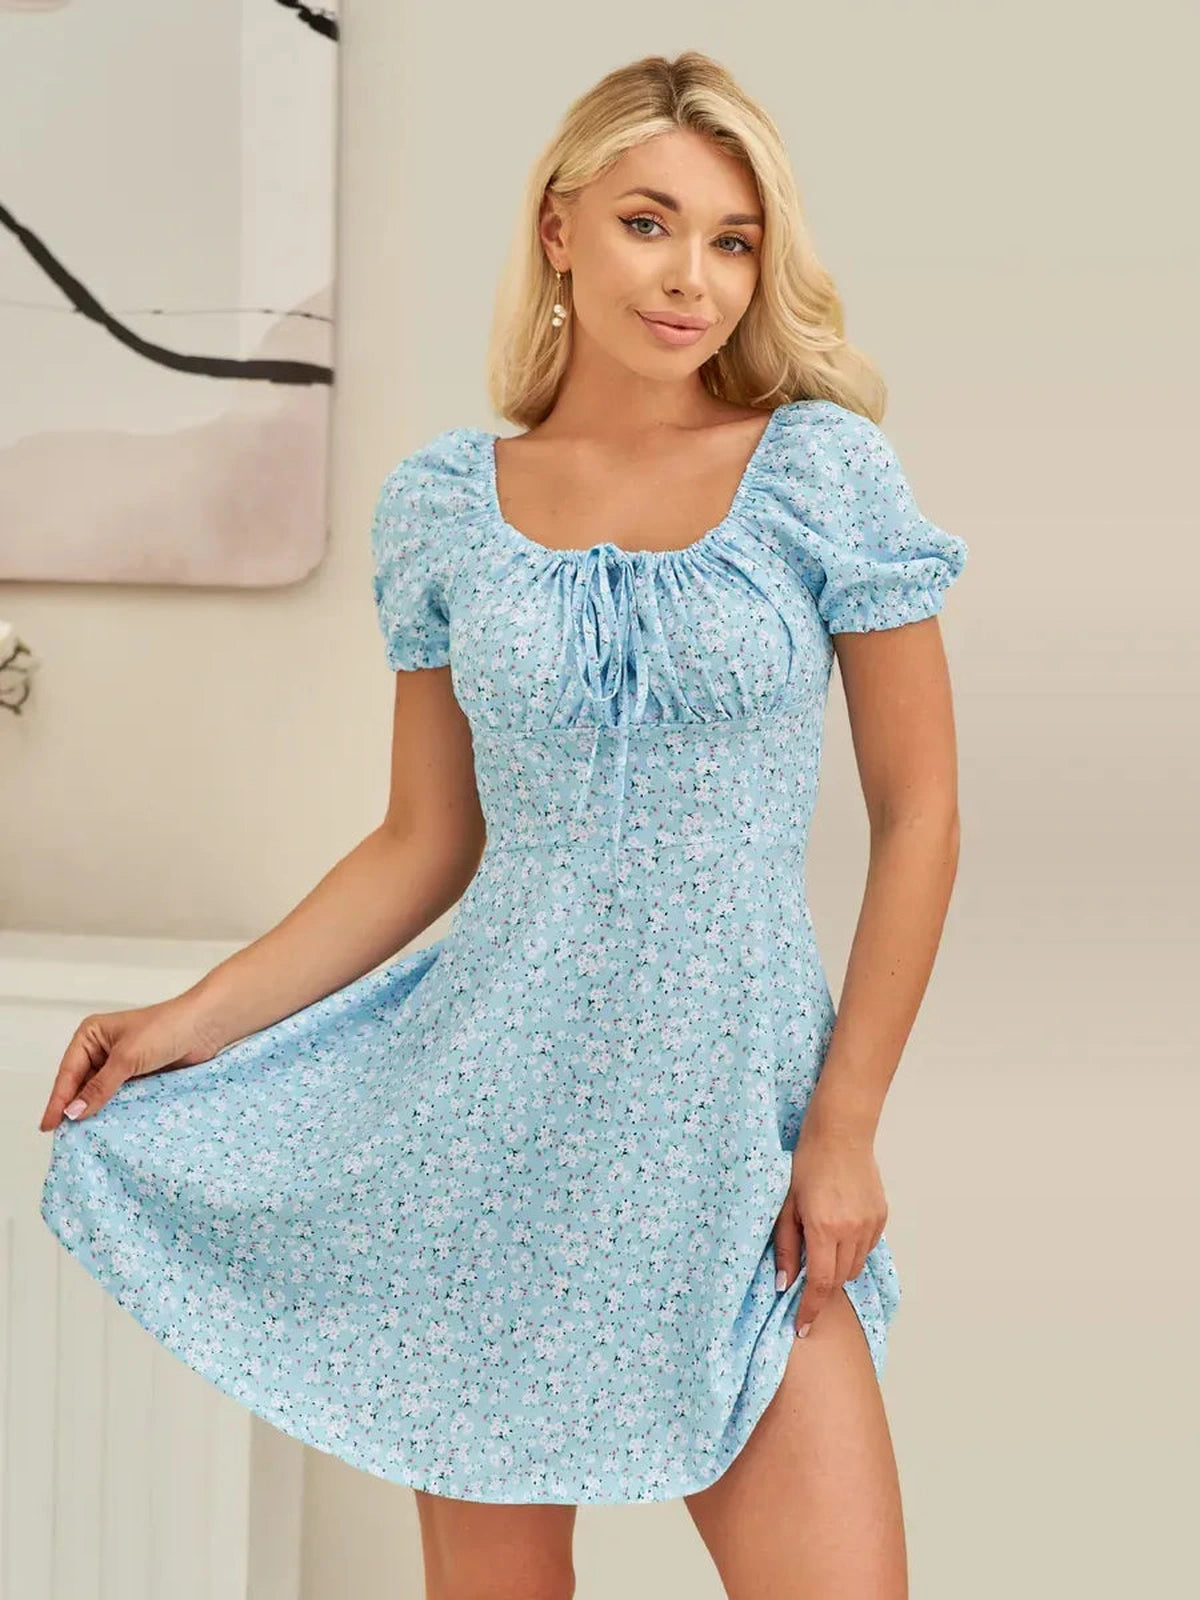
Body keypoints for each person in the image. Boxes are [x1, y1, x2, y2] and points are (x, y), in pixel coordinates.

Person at [38, 49, 967, 1600]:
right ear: (558, 226)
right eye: (649, 223)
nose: (692, 278)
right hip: (485, 1132)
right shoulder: (445, 503)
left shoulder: (821, 471)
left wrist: (846, 1125)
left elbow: (920, 810)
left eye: (733, 240)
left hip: (733, 1133)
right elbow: (423, 839)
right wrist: (185, 1022)